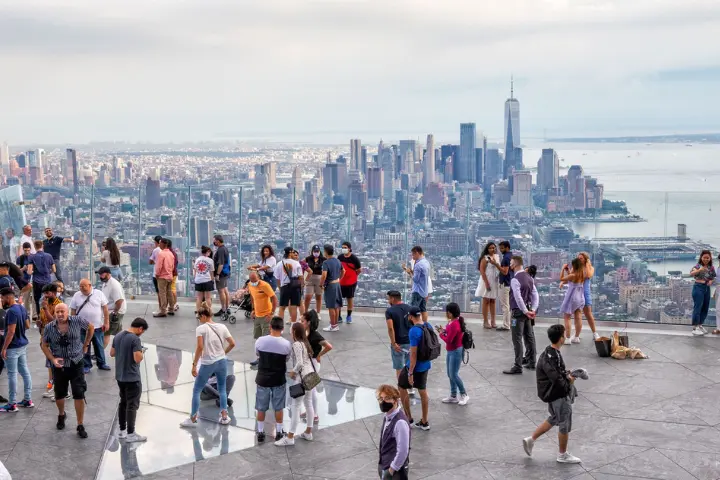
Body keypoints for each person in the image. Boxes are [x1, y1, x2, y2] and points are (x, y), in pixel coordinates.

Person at [523, 324, 581, 464]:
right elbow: (557, 380)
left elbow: (556, 374)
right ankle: (562, 455)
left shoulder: (548, 352)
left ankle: (531, 439)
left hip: (551, 393)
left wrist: (566, 374)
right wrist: (570, 381)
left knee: (554, 417)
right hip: (558, 395)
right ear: (561, 338)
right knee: (564, 423)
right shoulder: (553, 356)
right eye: (564, 334)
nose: (565, 336)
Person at [40, 303, 94, 438]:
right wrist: (52, 359)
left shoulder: (77, 321)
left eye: (62, 311)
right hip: (60, 365)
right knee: (59, 394)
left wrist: (86, 344)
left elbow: (91, 327)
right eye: (57, 312)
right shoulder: (49, 327)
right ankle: (61, 414)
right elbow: (44, 345)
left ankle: (80, 424)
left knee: (79, 393)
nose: (59, 314)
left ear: (67, 312)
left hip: (76, 362)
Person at [180, 302, 235, 427]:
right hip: (221, 361)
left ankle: (193, 418)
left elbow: (200, 347)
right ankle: (224, 416)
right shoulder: (222, 327)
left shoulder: (201, 329)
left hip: (208, 362)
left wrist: (194, 364)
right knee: (222, 389)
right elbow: (232, 343)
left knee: (197, 390)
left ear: (204, 316)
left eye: (199, 317)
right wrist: (222, 352)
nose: (199, 320)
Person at [275, 323, 315, 446]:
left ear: (295, 332)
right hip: (311, 375)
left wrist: (293, 372)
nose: (290, 332)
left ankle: (290, 437)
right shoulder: (305, 342)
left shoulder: (297, 344)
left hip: (302, 377)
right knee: (308, 403)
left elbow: (300, 363)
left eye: (291, 330)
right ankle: (308, 432)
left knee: (296, 406)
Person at [110, 317, 149, 443]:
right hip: (132, 377)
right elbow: (137, 359)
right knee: (132, 405)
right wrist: (142, 351)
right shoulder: (135, 339)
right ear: (140, 328)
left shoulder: (118, 335)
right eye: (142, 331)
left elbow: (112, 353)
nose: (141, 333)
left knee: (123, 403)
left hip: (120, 376)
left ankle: (122, 431)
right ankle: (131, 434)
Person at [254, 316, 292, 443]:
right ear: (282, 328)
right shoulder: (286, 344)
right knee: (278, 407)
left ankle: (260, 432)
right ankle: (279, 431)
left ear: (270, 327)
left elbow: (258, 355)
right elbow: (286, 359)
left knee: (261, 407)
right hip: (279, 379)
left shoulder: (260, 341)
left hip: (262, 379)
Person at [503, 256, 539, 375]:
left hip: (518, 313)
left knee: (517, 338)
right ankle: (532, 361)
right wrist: (532, 310)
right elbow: (535, 295)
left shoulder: (515, 280)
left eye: (512, 263)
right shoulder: (529, 278)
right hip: (528, 311)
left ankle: (518, 366)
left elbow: (518, 298)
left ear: (515, 264)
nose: (510, 265)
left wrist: (525, 311)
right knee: (529, 336)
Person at [397, 306, 431, 431]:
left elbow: (414, 355)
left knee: (401, 387)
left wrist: (410, 372)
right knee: (423, 391)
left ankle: (408, 418)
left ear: (411, 317)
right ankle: (425, 421)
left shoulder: (413, 331)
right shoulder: (428, 325)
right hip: (426, 364)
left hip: (414, 366)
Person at [0, 287, 33, 412]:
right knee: (25, 372)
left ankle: (12, 404)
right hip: (22, 344)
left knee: (12, 374)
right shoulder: (21, 308)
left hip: (13, 347)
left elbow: (11, 332)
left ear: (8, 297)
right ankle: (27, 400)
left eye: (2, 298)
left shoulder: (11, 312)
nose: (2, 300)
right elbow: (28, 325)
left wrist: (4, 348)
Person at [70, 278, 111, 372]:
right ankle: (86, 365)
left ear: (90, 285)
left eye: (84, 286)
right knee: (84, 346)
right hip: (82, 327)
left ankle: (102, 363)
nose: (82, 288)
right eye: (80, 286)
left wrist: (106, 322)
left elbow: (105, 308)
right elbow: (72, 310)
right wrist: (73, 323)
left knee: (99, 345)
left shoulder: (99, 294)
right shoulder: (77, 295)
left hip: (97, 326)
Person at [300, 310, 332, 424]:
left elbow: (329, 346)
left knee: (311, 390)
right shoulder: (306, 332)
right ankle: (310, 411)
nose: (301, 322)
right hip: (307, 363)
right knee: (309, 390)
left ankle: (315, 414)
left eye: (302, 321)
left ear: (308, 322)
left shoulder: (315, 335)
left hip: (312, 364)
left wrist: (319, 354)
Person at [376, 384, 411, 480]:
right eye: (381, 398)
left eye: (387, 398)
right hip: (385, 466)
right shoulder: (387, 416)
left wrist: (391, 471)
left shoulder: (400, 422)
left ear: (395, 400)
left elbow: (403, 451)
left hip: (395, 473)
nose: (383, 402)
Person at [437, 303, 469, 405]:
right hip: (451, 351)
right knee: (450, 374)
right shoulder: (453, 321)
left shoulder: (455, 324)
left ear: (450, 313)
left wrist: (441, 334)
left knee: (453, 375)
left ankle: (464, 394)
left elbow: (449, 340)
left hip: (455, 351)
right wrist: (444, 330)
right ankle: (453, 395)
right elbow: (449, 333)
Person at [247, 270, 278, 367]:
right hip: (257, 315)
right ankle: (260, 357)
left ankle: (265, 360)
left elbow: (274, 298)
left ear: (259, 277)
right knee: (258, 338)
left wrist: (271, 313)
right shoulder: (250, 285)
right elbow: (252, 297)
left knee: (266, 339)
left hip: (266, 315)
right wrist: (253, 310)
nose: (253, 282)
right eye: (251, 280)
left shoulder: (265, 285)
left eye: (254, 280)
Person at [384, 291, 413, 391]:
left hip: (398, 343)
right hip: (410, 341)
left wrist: (393, 343)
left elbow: (390, 328)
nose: (388, 301)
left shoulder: (390, 311)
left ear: (392, 299)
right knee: (410, 366)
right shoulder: (409, 308)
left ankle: (402, 388)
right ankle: (411, 387)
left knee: (399, 368)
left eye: (389, 298)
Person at [39, 283, 62, 399]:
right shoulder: (45, 303)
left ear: (53, 293)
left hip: (55, 338)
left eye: (47, 293)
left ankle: (60, 389)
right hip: (45, 337)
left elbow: (55, 321)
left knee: (55, 363)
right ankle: (52, 385)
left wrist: (45, 309)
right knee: (49, 363)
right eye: (44, 294)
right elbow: (43, 318)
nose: (45, 296)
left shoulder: (59, 305)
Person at [274, 246, 303, 325]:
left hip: (284, 286)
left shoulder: (279, 264)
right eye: (293, 252)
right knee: (294, 306)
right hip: (295, 287)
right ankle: (293, 325)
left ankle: (280, 326)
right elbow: (300, 276)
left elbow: (277, 278)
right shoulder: (296, 263)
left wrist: (280, 287)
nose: (294, 254)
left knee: (282, 307)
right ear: (290, 253)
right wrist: (300, 286)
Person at [98, 266, 126, 348]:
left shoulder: (114, 285)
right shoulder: (105, 283)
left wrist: (114, 313)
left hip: (115, 311)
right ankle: (126, 347)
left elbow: (119, 300)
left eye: (102, 274)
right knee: (118, 332)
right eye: (100, 275)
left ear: (108, 274)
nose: (100, 276)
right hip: (110, 310)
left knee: (106, 332)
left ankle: (100, 353)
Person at [559, 258, 586, 345]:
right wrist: (568, 271)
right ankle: (576, 337)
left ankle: (567, 338)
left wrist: (563, 268)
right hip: (580, 297)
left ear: (574, 266)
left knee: (567, 317)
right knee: (578, 317)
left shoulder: (573, 275)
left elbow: (562, 278)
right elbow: (572, 279)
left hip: (572, 298)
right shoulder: (582, 274)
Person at [475, 242, 500, 329]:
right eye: (490, 248)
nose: (492, 249)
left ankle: (493, 321)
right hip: (486, 280)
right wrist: (486, 283)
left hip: (494, 280)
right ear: (487, 249)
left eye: (493, 248)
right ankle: (485, 321)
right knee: (486, 301)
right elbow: (482, 271)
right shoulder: (485, 258)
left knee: (493, 300)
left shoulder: (496, 257)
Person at [27, 239, 55, 316]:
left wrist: (33, 272)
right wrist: (48, 272)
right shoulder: (49, 256)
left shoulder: (31, 257)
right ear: (42, 246)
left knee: (37, 300)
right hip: (47, 281)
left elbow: (29, 272)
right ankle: (49, 316)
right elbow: (54, 270)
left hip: (37, 281)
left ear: (35, 247)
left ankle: (40, 317)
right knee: (49, 299)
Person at [690, 250, 715, 336]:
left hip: (707, 288)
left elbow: (712, 277)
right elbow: (691, 273)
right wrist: (700, 269)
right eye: (704, 257)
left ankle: (700, 325)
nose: (706, 259)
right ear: (701, 257)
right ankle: (695, 327)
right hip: (698, 287)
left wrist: (711, 281)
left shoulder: (711, 267)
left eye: (708, 257)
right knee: (698, 307)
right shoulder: (697, 266)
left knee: (705, 307)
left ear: (710, 258)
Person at [402, 246, 430, 322]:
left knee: (413, 311)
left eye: (413, 254)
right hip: (424, 291)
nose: (412, 256)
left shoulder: (418, 265)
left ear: (417, 253)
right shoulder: (426, 262)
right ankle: (425, 326)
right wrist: (411, 271)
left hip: (417, 291)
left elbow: (415, 279)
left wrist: (409, 272)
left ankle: (413, 326)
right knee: (423, 310)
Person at [321, 244, 344, 332]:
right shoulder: (337, 261)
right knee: (337, 306)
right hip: (337, 284)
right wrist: (338, 278)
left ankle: (333, 325)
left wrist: (321, 284)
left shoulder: (326, 262)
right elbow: (343, 271)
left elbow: (324, 275)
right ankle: (335, 325)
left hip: (330, 286)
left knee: (331, 306)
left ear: (326, 252)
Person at [576, 252, 600, 340]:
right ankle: (576, 335)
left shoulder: (590, 268)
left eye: (581, 258)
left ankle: (594, 333)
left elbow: (588, 275)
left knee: (588, 313)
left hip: (585, 293)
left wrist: (587, 264)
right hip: (577, 293)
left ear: (586, 259)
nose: (579, 260)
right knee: (577, 315)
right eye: (578, 258)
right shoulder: (576, 268)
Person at [337, 242, 361, 324]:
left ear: (350, 248)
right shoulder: (340, 257)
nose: (344, 249)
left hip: (351, 283)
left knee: (349, 299)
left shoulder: (354, 259)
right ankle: (338, 316)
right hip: (340, 282)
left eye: (345, 247)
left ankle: (349, 316)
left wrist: (353, 276)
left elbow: (359, 270)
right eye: (343, 247)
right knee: (338, 299)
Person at [153, 238, 176, 318]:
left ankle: (163, 310)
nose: (159, 245)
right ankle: (171, 308)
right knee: (169, 292)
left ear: (164, 244)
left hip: (162, 276)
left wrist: (157, 274)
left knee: (162, 293)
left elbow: (159, 266)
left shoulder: (161, 253)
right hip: (170, 276)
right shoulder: (171, 254)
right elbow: (173, 266)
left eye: (160, 243)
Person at [212, 235, 231, 318]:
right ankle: (227, 308)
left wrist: (217, 274)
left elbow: (221, 264)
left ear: (218, 241)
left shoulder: (220, 250)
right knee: (225, 290)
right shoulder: (225, 248)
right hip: (226, 272)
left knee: (221, 291)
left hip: (221, 273)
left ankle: (223, 309)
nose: (214, 242)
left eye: (214, 241)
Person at [496, 240, 514, 331]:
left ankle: (506, 325)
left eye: (502, 248)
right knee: (507, 305)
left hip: (505, 284)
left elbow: (505, 271)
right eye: (500, 248)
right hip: (509, 283)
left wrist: (496, 264)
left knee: (505, 306)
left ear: (507, 248)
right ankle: (508, 323)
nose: (501, 250)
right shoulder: (511, 256)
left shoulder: (506, 258)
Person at [303, 245, 325, 316]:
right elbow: (301, 263)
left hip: (320, 278)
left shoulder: (323, 259)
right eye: (315, 251)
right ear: (312, 251)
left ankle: (318, 313)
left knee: (318, 296)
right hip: (310, 278)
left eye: (317, 251)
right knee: (307, 297)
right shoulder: (308, 258)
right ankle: (305, 312)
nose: (316, 253)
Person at [16, 242, 35, 320]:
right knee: (25, 299)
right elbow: (17, 271)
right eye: (25, 250)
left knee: (34, 298)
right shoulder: (20, 258)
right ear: (23, 250)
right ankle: (26, 315)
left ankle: (34, 315)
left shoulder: (34, 257)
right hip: (24, 281)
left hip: (33, 280)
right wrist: (23, 269)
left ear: (30, 249)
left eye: (28, 250)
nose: (27, 252)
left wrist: (32, 270)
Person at [193, 246, 215, 312]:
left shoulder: (197, 259)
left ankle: (198, 312)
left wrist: (196, 278)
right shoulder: (210, 260)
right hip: (207, 280)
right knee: (208, 298)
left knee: (199, 298)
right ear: (207, 252)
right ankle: (208, 312)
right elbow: (211, 272)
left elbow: (195, 270)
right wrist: (212, 280)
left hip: (198, 280)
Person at [148, 235, 162, 314]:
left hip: (156, 274)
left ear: (156, 242)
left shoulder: (156, 250)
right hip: (166, 274)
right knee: (165, 292)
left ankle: (161, 308)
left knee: (159, 293)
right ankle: (167, 307)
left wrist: (155, 262)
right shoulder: (167, 250)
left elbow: (150, 261)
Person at [167, 238, 179, 312]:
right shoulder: (174, 253)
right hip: (174, 273)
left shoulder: (169, 253)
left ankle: (173, 304)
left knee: (170, 289)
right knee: (172, 288)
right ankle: (175, 303)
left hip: (170, 273)